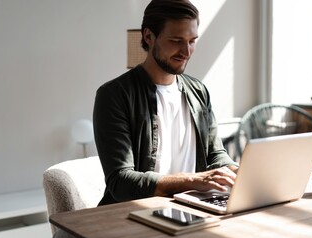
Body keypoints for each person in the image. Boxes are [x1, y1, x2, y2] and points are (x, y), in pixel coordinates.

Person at [93, 0, 239, 206]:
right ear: (148, 36)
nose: (186, 52)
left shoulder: (198, 91)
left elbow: (215, 155)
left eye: (192, 41)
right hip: (135, 212)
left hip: (194, 205)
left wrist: (239, 172)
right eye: (176, 40)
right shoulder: (114, 95)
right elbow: (121, 181)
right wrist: (192, 180)